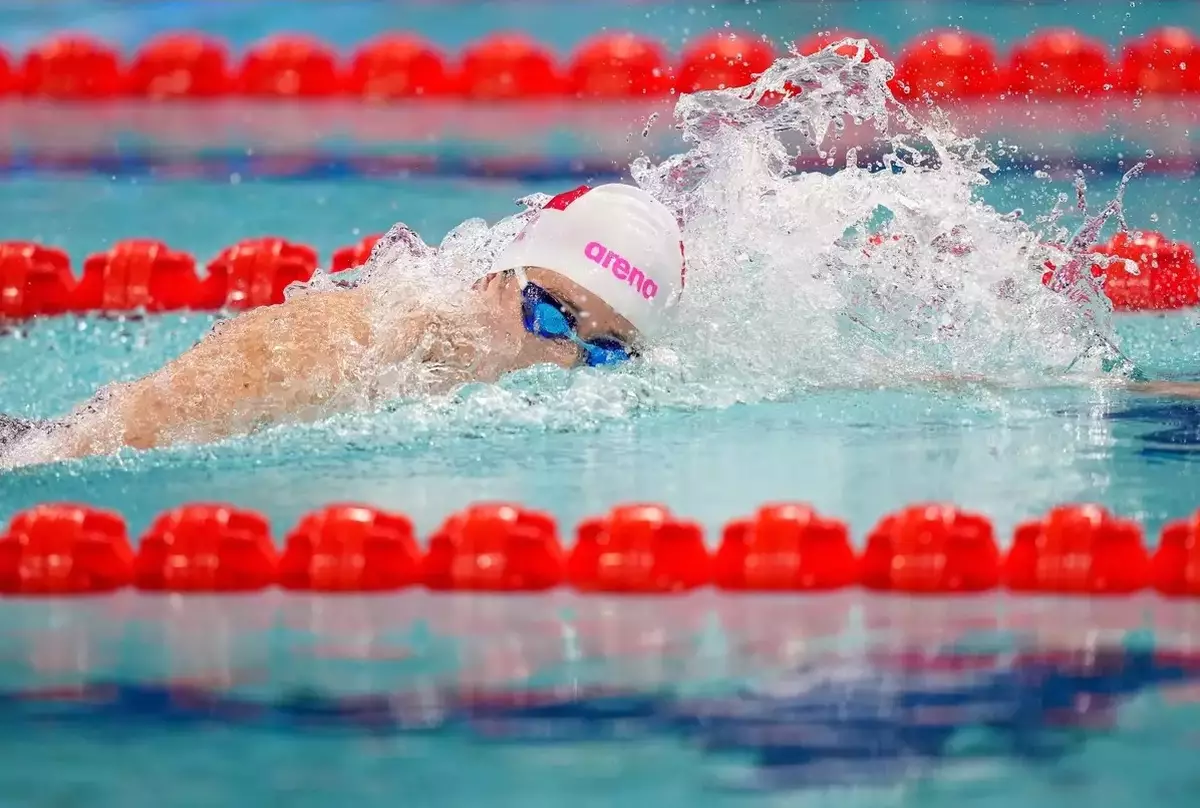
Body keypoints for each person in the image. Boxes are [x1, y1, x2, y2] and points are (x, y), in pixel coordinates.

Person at [0, 183, 687, 462]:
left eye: (603, 353)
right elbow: (111, 437)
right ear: (493, 280)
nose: (563, 360)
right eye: (549, 314)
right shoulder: (359, 342)